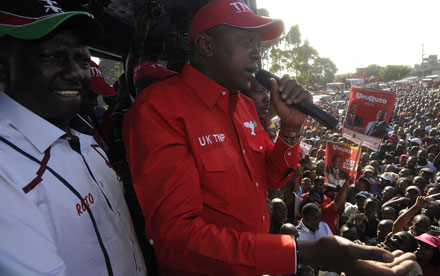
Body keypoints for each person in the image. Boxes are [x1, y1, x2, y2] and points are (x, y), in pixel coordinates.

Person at [123, 1, 414, 275]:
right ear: (205, 44)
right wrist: (304, 253)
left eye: (258, 44)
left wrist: (290, 129)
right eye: (246, 42)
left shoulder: (244, 105)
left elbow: (272, 179)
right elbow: (175, 239)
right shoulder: (160, 108)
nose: (257, 54)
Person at [0, 1, 146, 275]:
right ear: (4, 67)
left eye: (80, 59)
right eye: (51, 57)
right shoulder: (6, 170)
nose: (74, 73)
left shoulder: (83, 135)